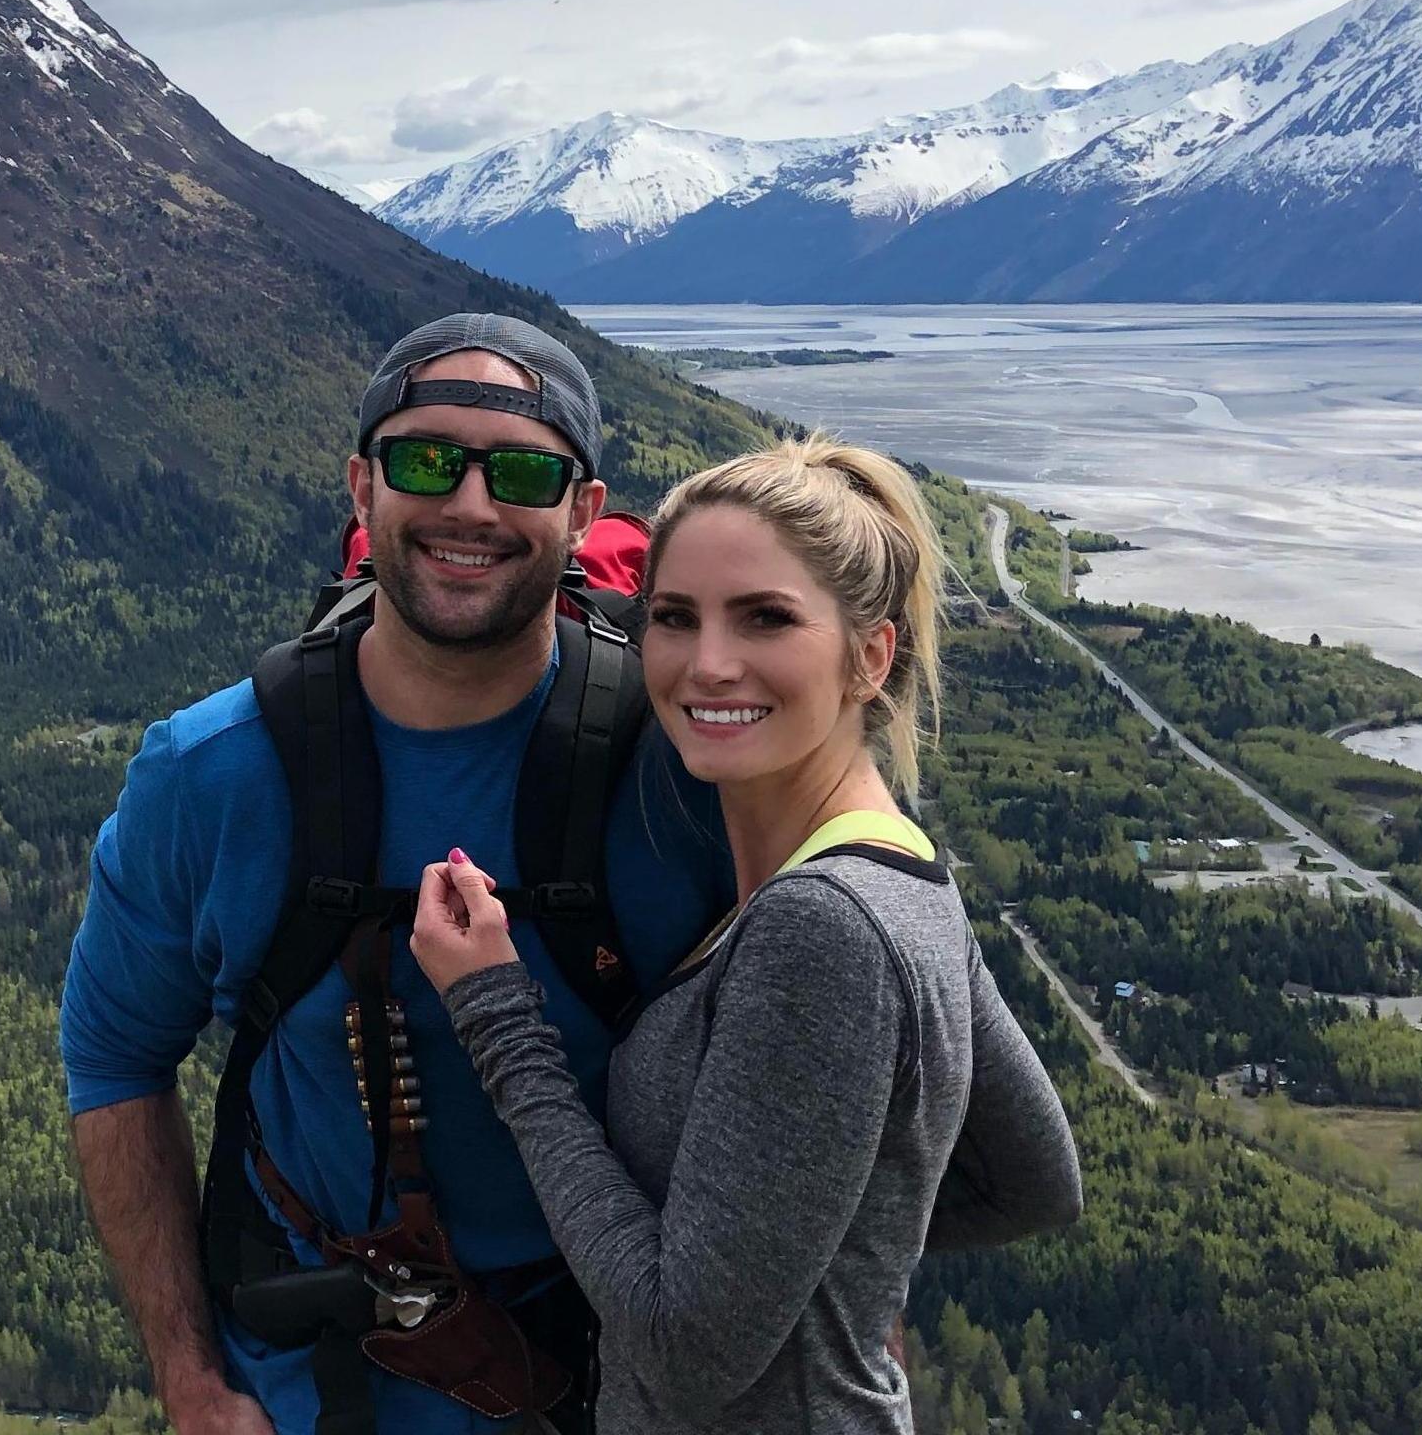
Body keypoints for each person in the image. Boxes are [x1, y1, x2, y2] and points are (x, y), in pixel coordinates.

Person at [60, 315, 1070, 1435]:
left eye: (525, 471)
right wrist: (192, 1384)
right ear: (361, 486)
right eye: (425, 459)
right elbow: (112, 1054)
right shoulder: (210, 776)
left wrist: (768, 1242)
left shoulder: (689, 762)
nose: (470, 504)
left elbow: (907, 1103)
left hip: (615, 1384)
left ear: (582, 513)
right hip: (321, 1391)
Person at [412, 437, 1081, 1434]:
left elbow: (683, 1353)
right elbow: (1031, 1179)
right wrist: (790, 1251)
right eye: (673, 617)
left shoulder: (818, 927)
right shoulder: (901, 867)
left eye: (765, 616)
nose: (707, 660)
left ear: (869, 653)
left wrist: (498, 1017)